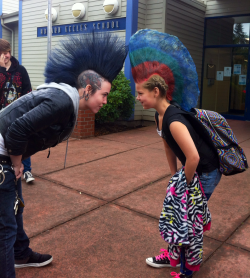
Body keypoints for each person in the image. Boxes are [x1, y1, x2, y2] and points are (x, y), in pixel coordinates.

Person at [0, 32, 126, 278]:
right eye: (105, 95)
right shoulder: (62, 102)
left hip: (8, 153)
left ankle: (21, 254)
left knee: (16, 210)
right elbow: (17, 130)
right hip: (3, 156)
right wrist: (17, 165)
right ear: (88, 90)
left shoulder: (63, 95)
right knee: (4, 227)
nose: (106, 102)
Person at [129, 29, 222, 278]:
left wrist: (184, 184)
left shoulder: (174, 120)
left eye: (140, 93)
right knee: (177, 216)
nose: (137, 97)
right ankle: (173, 257)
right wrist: (173, 176)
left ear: (156, 92)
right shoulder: (159, 117)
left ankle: (186, 268)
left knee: (186, 222)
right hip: (194, 172)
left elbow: (193, 157)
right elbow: (168, 145)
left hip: (206, 171)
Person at [0, 39, 35, 183]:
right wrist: (1, 69)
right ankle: (6, 168)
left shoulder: (21, 70)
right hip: (1, 114)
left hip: (18, 113)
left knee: (22, 141)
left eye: (7, 52)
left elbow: (28, 90)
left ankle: (26, 170)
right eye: (2, 53)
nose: (5, 56)